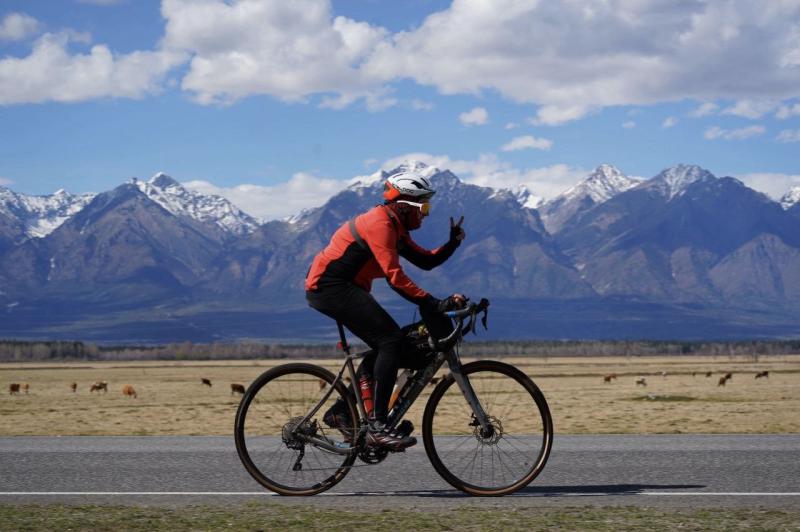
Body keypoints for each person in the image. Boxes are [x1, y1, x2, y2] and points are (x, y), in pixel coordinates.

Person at [305, 170, 466, 451]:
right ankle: (377, 426)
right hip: (329, 287)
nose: (426, 215)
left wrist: (452, 243)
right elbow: (395, 278)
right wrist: (433, 303)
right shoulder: (380, 224)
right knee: (390, 340)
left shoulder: (395, 226)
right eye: (424, 208)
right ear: (405, 204)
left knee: (392, 344)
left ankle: (342, 412)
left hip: (345, 287)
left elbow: (425, 261)